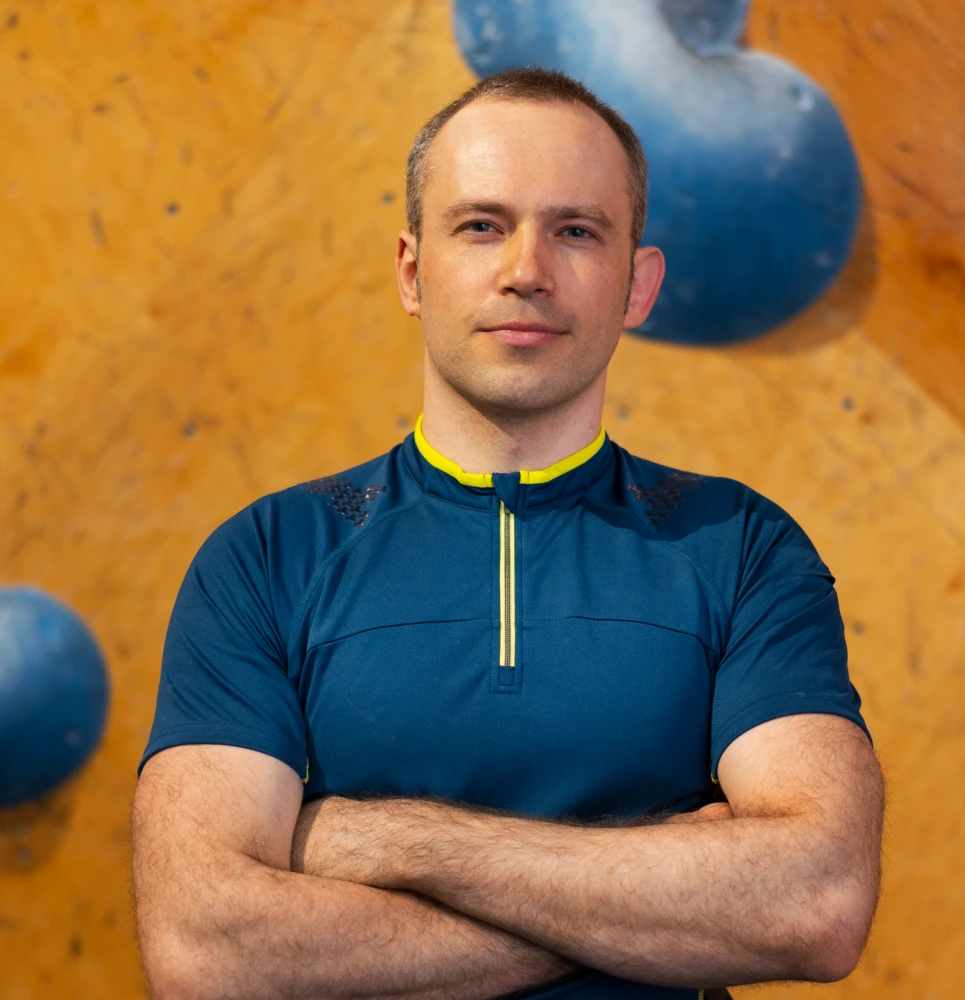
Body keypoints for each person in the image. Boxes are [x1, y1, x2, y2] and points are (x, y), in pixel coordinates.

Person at [132, 69, 884, 1000]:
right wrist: (664, 893)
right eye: (482, 225)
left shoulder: (741, 549)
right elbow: (206, 951)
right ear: (412, 272)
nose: (527, 270)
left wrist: (385, 841)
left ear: (639, 285)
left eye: (577, 231)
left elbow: (815, 902)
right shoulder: (265, 559)